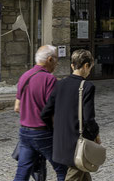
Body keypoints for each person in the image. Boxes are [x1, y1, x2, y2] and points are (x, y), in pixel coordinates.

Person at [40, 49, 100, 181]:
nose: (89, 71)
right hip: (77, 145)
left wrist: (55, 130)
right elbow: (89, 119)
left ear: (72, 65)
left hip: (60, 142)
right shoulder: (87, 86)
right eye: (90, 68)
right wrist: (95, 135)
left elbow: (45, 113)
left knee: (84, 175)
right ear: (86, 65)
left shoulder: (59, 84)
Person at [14, 45, 68, 181]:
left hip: (25, 132)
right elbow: (53, 110)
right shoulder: (50, 80)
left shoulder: (24, 76)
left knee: (22, 171)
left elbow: (17, 107)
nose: (57, 63)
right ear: (50, 59)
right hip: (43, 132)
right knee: (62, 170)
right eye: (56, 59)